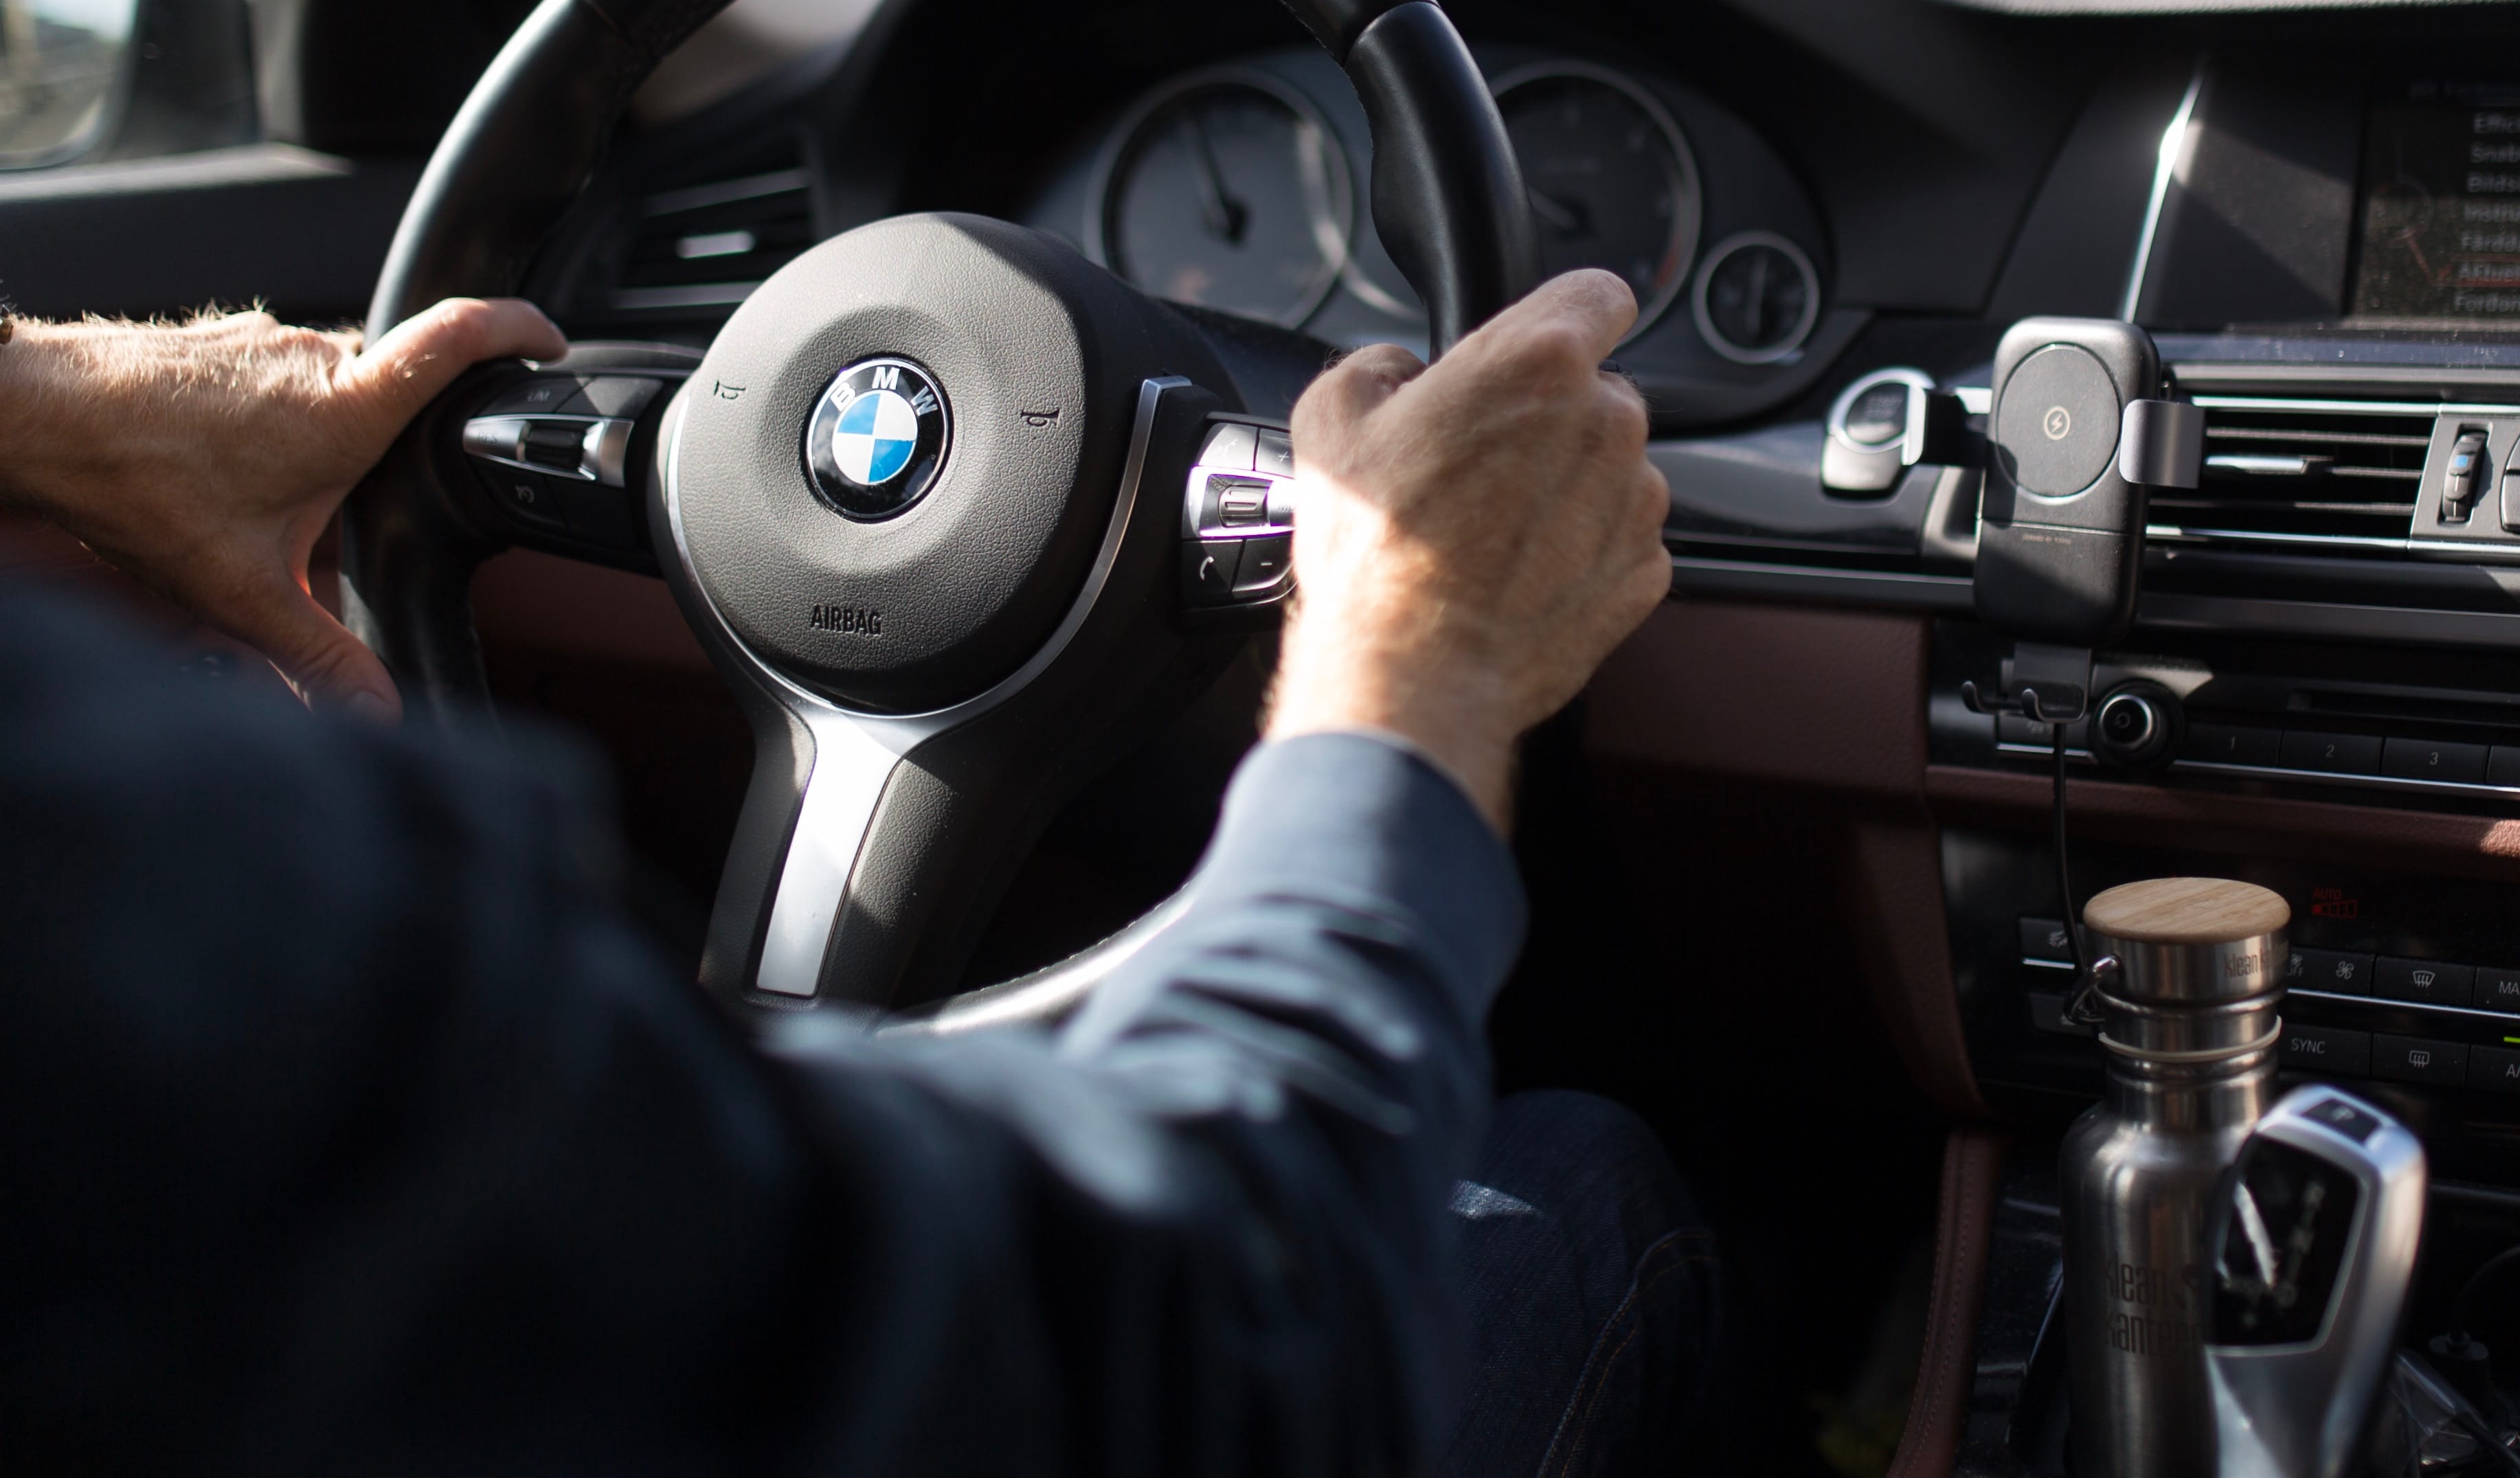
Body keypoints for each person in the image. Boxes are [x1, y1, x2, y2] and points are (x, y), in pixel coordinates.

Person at [0, 271, 1724, 1475]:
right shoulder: (129, 886)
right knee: (1565, 1183)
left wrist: (45, 399)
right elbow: (1223, 1339)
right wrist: (1416, 641)